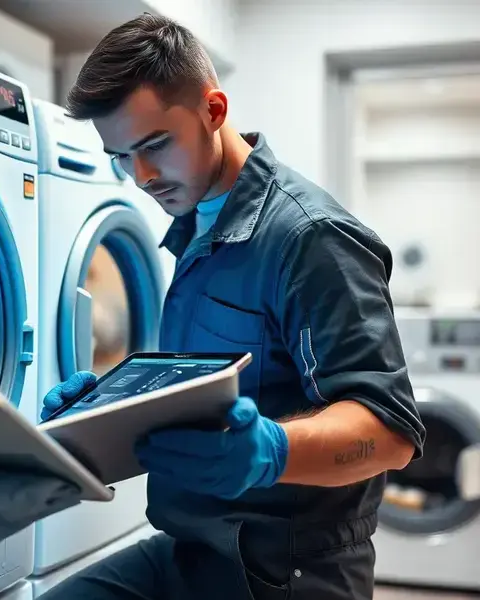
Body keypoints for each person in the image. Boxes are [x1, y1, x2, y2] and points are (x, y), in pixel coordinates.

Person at [38, 13, 426, 600]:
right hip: (190, 548)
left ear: (213, 111)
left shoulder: (311, 238)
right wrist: (101, 419)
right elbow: (208, 392)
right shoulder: (194, 224)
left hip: (286, 569)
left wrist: (272, 451)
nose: (141, 177)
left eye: (154, 145)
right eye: (121, 156)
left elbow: (390, 431)